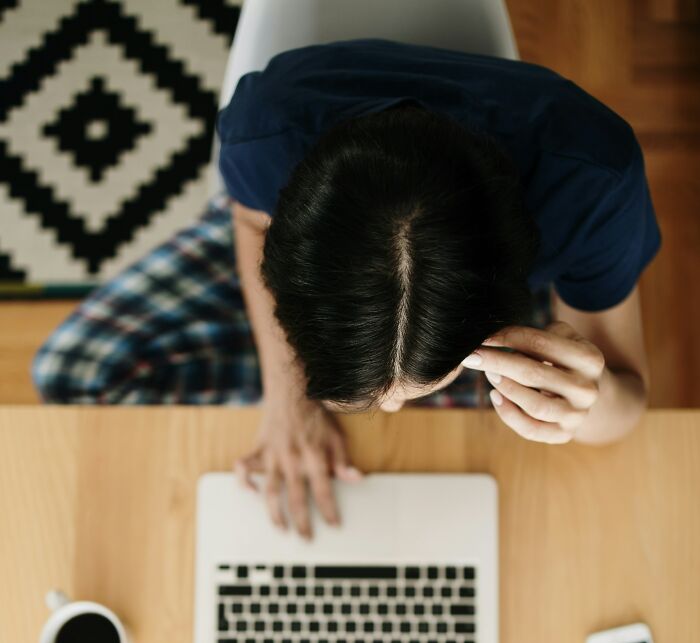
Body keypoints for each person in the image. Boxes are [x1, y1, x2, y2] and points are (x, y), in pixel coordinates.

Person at [32, 38, 660, 539]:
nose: (388, 409)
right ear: (286, 284)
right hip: (278, 211)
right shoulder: (263, 132)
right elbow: (251, 219)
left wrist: (586, 399)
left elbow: (626, 404)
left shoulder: (593, 180)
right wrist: (286, 402)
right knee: (68, 371)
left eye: (415, 387)